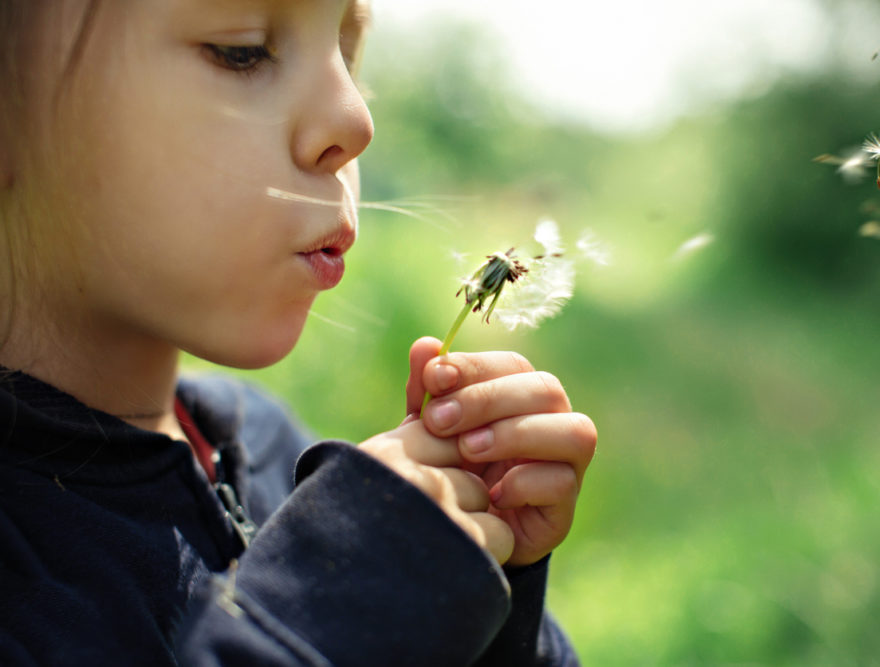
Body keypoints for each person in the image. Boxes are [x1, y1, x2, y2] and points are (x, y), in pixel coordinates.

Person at [0, 1, 597, 665]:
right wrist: (314, 623)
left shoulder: (270, 445)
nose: (356, 120)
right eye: (244, 49)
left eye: (346, 51)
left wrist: (480, 598)